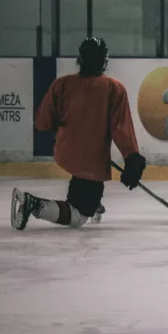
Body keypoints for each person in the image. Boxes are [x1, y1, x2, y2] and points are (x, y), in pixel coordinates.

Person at [12, 38, 146, 230]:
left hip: (65, 151)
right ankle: (34, 204)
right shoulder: (114, 89)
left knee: (85, 183)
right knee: (78, 216)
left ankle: (94, 200)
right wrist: (132, 157)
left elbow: (42, 123)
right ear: (104, 61)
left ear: (80, 59)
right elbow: (120, 128)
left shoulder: (62, 84)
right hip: (90, 161)